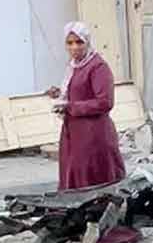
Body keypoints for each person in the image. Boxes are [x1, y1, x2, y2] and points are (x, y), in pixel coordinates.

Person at [45, 22, 126, 190]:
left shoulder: (97, 67)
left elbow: (105, 102)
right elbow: (78, 91)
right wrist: (59, 93)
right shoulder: (74, 66)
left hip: (93, 135)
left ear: (87, 42)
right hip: (74, 133)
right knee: (75, 176)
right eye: (69, 43)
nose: (74, 47)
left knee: (93, 180)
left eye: (79, 42)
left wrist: (70, 107)